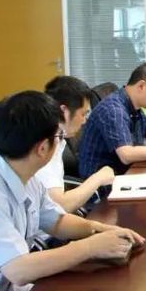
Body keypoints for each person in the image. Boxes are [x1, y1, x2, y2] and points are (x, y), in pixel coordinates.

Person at [0, 91, 145, 291]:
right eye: (58, 136)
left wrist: (102, 230)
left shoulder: (22, 173)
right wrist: (90, 248)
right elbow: (18, 270)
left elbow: (56, 221)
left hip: (10, 290)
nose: (60, 142)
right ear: (43, 148)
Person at [40, 75, 116, 213]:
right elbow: (59, 207)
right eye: (83, 114)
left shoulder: (58, 137)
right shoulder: (42, 146)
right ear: (64, 112)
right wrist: (98, 178)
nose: (85, 120)